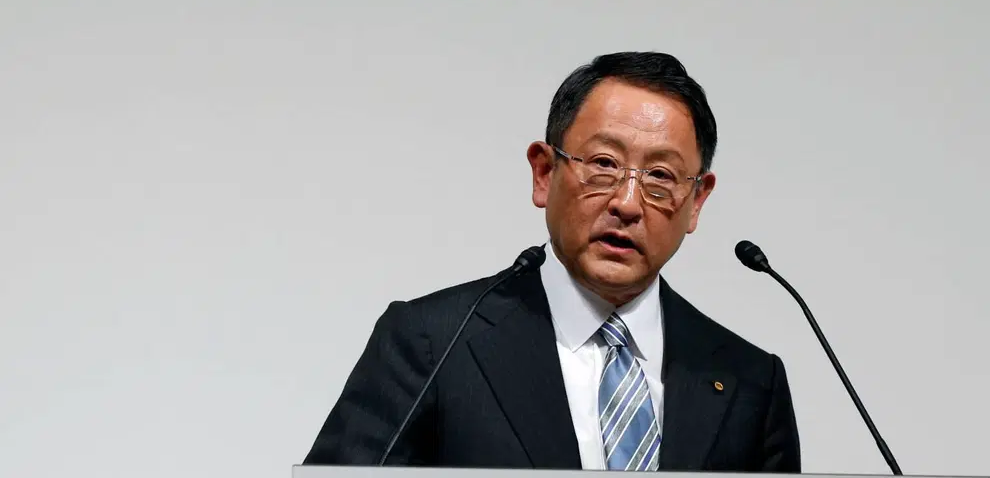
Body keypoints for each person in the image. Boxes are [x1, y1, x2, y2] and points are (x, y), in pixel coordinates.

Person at [302, 51, 800, 471]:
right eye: (603, 164)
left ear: (696, 202)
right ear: (544, 173)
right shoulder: (433, 343)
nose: (627, 203)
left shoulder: (750, 382)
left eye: (660, 177)